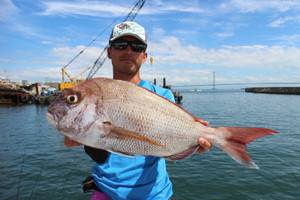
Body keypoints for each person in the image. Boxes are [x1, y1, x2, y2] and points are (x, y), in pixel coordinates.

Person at [82, 21, 212, 200]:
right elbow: (83, 145)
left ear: (144, 55)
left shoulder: (162, 95)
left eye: (136, 46)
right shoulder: (95, 92)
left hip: (155, 194)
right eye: (120, 45)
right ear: (109, 51)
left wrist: (191, 144)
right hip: (106, 191)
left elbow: (167, 146)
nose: (128, 51)